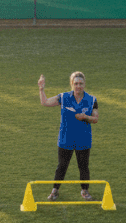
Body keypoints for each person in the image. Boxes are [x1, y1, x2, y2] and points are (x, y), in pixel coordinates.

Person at [38, 71, 99, 201]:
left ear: (84, 84)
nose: (78, 86)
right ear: (72, 84)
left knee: (83, 166)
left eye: (81, 83)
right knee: (62, 166)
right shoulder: (63, 97)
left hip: (83, 139)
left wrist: (85, 117)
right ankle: (55, 190)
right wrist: (41, 89)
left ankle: (85, 191)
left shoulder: (92, 100)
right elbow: (45, 102)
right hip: (66, 138)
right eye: (76, 83)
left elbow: (95, 118)